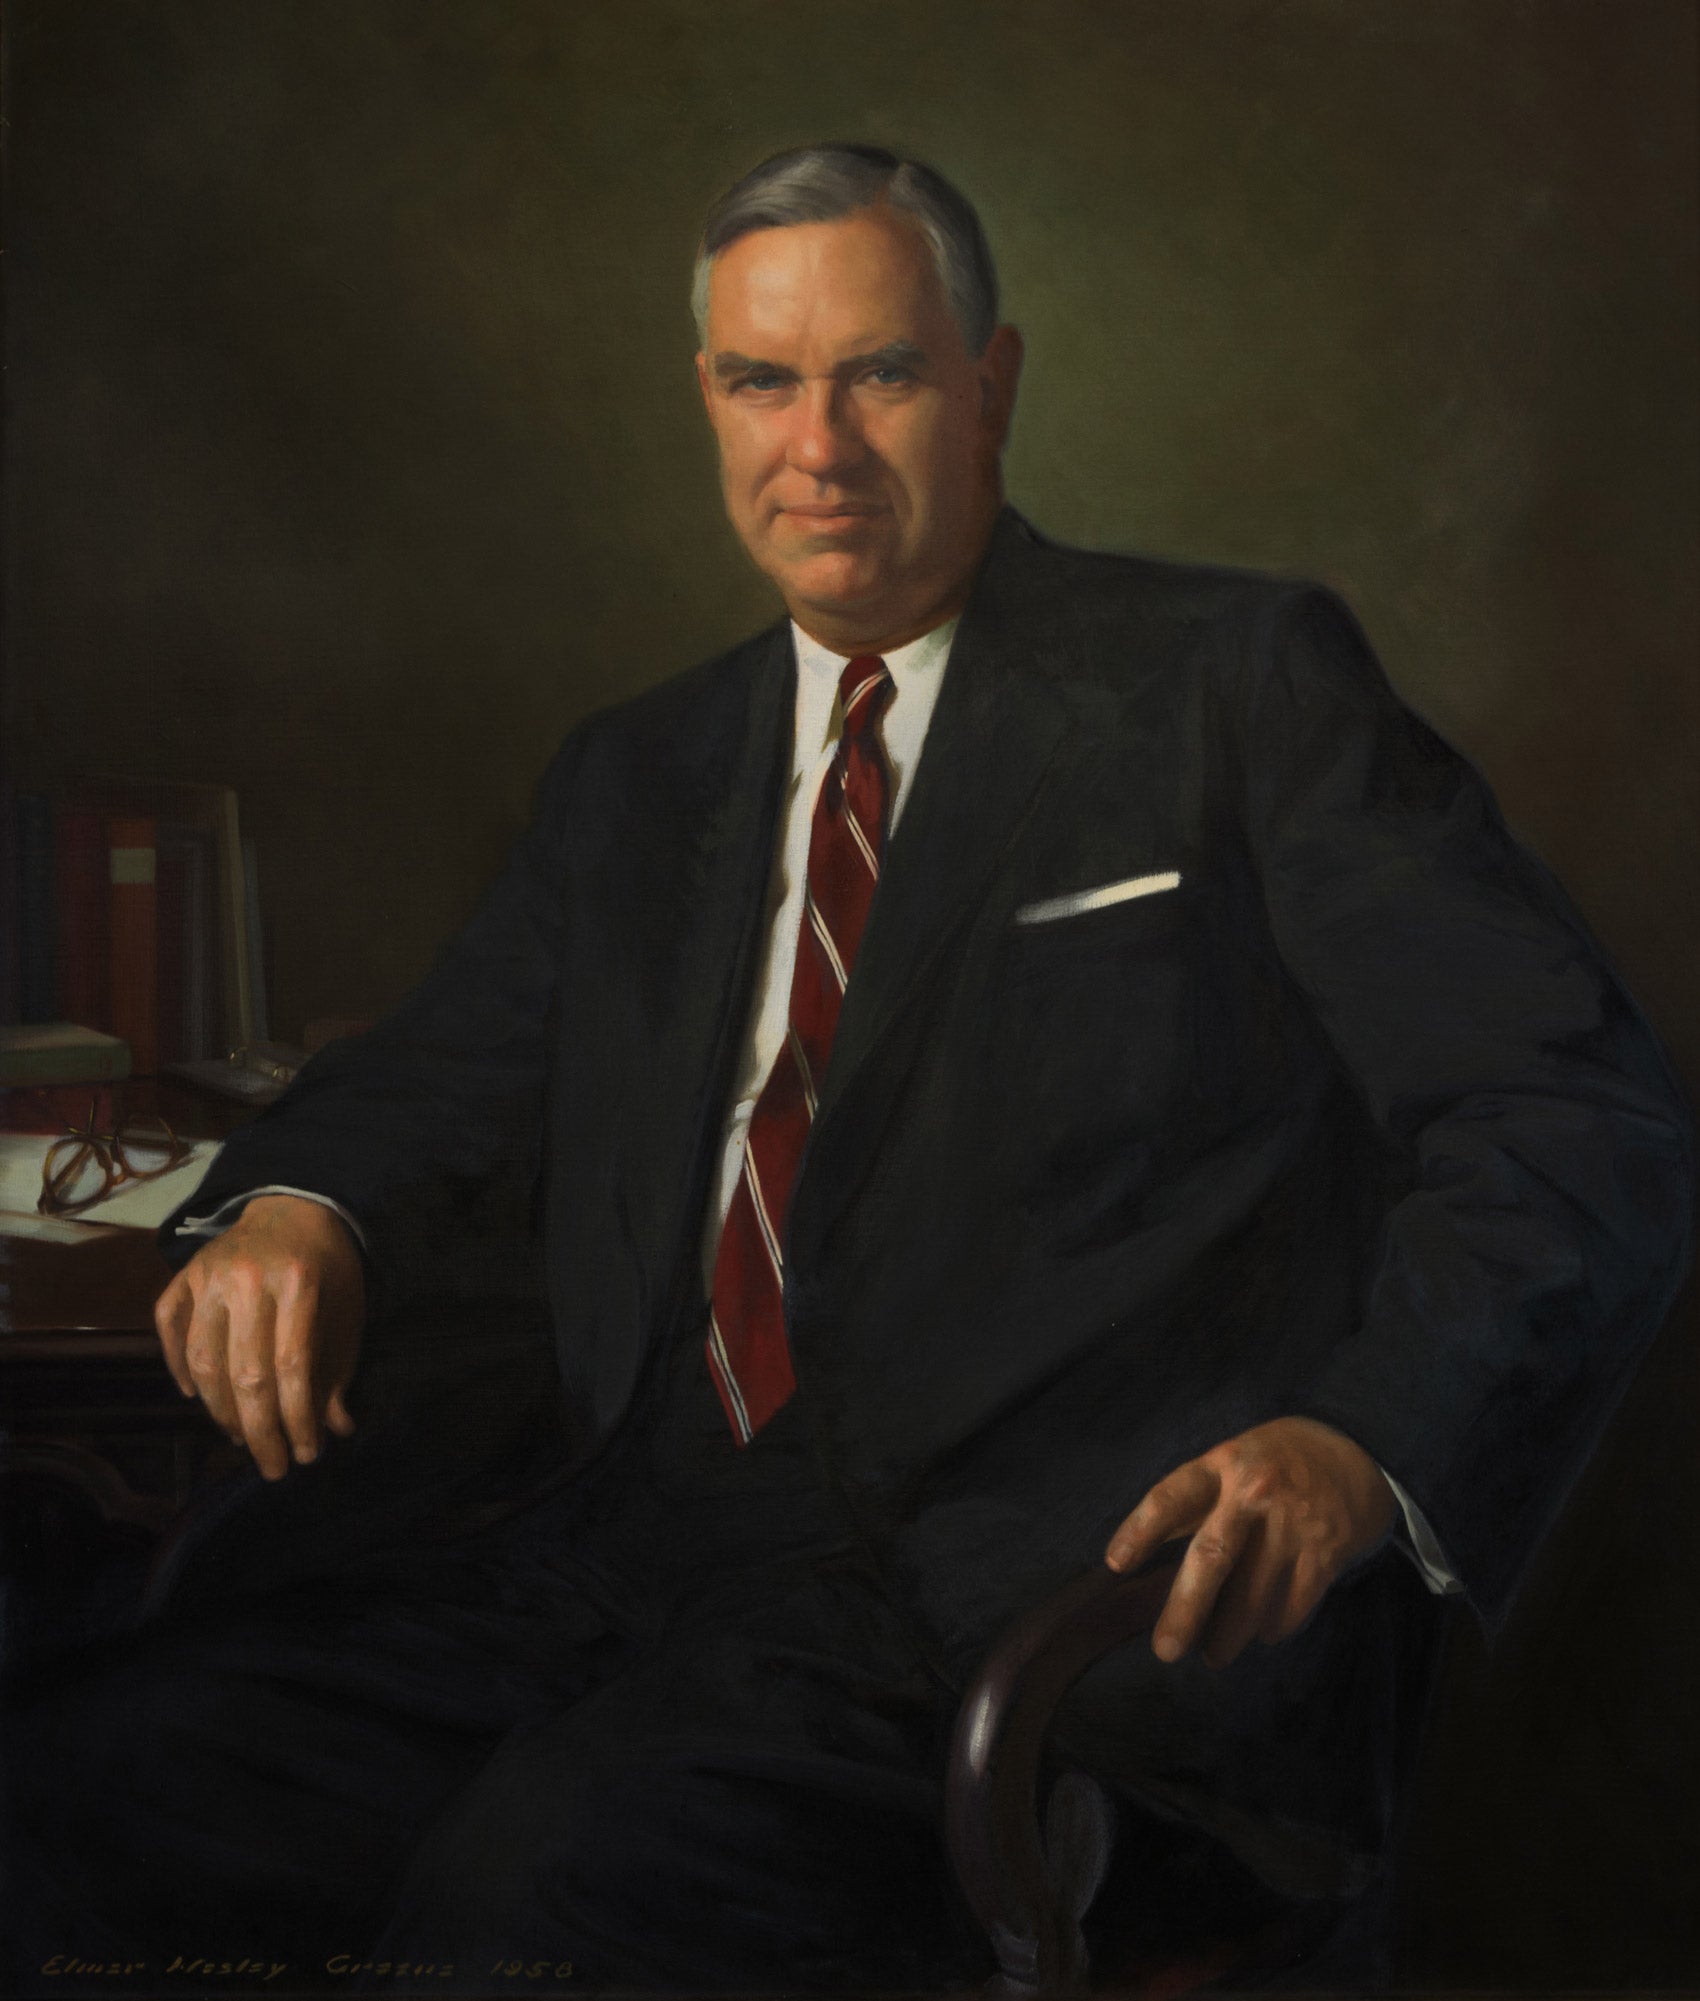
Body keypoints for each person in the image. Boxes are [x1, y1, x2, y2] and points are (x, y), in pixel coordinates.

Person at [2, 144, 1690, 1993]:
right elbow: (443, 1070)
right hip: (604, 1545)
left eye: (878, 372)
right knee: (76, 1789)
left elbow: (1571, 1110)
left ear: (993, 382)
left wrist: (1365, 1439)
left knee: (533, 1910)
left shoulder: (1235, 686)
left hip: (1018, 1608)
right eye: (761, 380)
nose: (817, 444)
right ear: (707, 404)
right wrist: (299, 1207)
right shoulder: (639, 774)